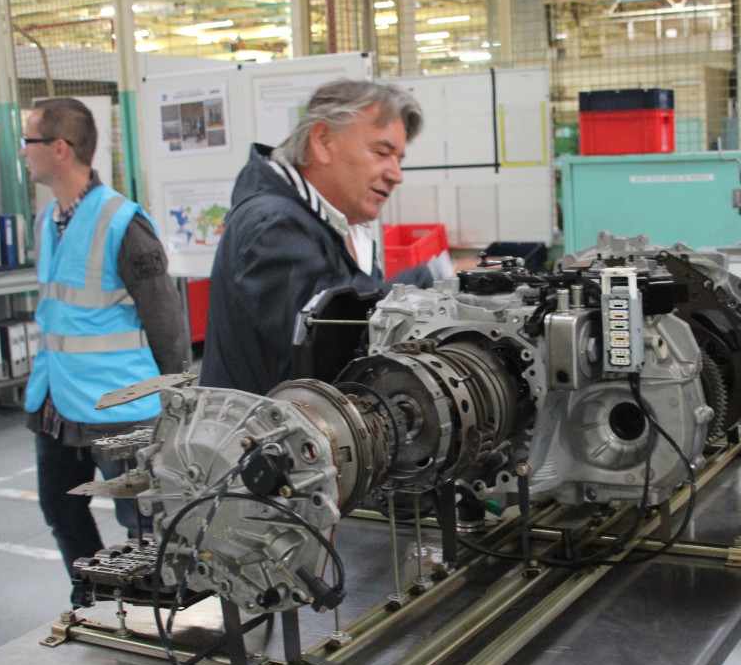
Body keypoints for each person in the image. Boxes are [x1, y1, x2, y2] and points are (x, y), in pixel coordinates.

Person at [21, 98, 190, 607]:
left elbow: (166, 323)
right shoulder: (47, 220)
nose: (23, 153)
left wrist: (176, 399)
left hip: (119, 405)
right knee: (61, 507)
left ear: (59, 149)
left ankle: (158, 608)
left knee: (141, 518)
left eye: (29, 142)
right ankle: (93, 595)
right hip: (55, 399)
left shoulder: (123, 223)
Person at [201, 79, 433, 395]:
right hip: (264, 440)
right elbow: (332, 347)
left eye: (399, 159)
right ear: (323, 141)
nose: (396, 174)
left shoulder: (340, 222)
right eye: (381, 152)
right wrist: (433, 279)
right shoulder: (272, 227)